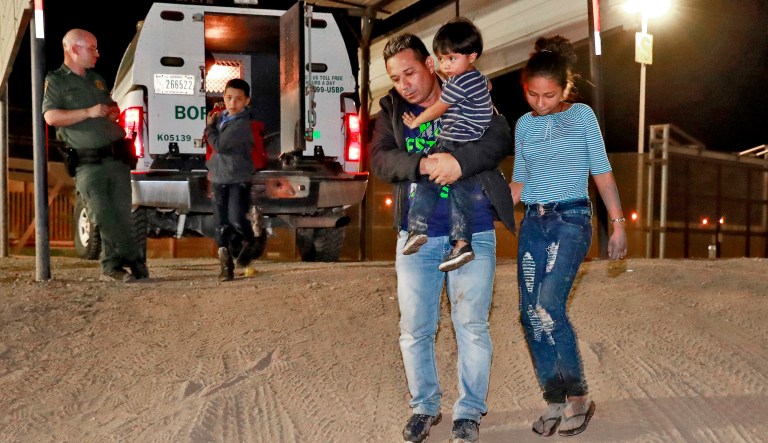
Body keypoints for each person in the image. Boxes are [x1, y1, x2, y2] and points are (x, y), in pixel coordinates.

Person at [370, 33, 516, 443]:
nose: (405, 84)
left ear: (431, 65)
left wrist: (457, 161)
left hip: (474, 229)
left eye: (411, 73)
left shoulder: (470, 90)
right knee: (415, 328)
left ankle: (469, 412)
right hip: (415, 235)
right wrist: (424, 164)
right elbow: (381, 158)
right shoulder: (392, 109)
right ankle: (424, 406)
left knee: (471, 324)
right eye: (396, 78)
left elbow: (499, 137)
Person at [509, 35, 628, 438]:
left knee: (547, 305)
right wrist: (482, 212)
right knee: (529, 314)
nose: (540, 103)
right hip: (533, 223)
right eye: (533, 95)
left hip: (571, 220)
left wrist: (618, 223)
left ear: (565, 90)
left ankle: (578, 397)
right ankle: (554, 397)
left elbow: (602, 172)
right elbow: (519, 182)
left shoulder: (581, 118)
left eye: (550, 95)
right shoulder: (524, 125)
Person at [43, 28, 148, 283]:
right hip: (87, 162)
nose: (98, 54)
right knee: (101, 214)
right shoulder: (56, 80)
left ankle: (112, 267)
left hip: (116, 157)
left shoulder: (96, 79)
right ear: (73, 49)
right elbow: (51, 116)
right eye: (92, 48)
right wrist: (88, 112)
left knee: (122, 214)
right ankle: (134, 258)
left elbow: (109, 107)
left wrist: (112, 112)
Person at [399, 17, 492, 272]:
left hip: (454, 140)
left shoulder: (461, 82)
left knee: (428, 175)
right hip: (469, 145)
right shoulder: (478, 79)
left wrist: (416, 121)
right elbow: (483, 85)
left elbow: (440, 107)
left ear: (472, 56)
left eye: (452, 59)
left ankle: (417, 227)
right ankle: (462, 244)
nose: (446, 65)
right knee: (460, 193)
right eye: (441, 59)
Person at [204, 78, 258, 282]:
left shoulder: (242, 124)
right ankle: (226, 266)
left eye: (238, 99)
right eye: (228, 98)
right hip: (219, 177)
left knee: (236, 218)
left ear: (246, 101)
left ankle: (252, 241)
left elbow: (219, 145)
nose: (232, 103)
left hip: (237, 178)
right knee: (220, 224)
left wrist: (209, 127)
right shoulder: (224, 118)